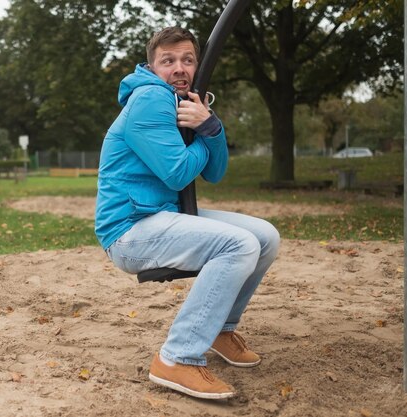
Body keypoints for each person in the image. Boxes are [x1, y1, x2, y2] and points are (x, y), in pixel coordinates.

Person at [94, 27, 280, 400]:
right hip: (131, 229)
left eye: (188, 60)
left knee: (264, 237)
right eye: (168, 61)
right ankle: (177, 357)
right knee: (239, 245)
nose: (179, 68)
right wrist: (206, 130)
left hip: (161, 215)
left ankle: (219, 330)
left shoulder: (188, 102)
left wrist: (210, 127)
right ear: (152, 66)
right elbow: (179, 172)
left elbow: (214, 172)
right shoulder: (150, 99)